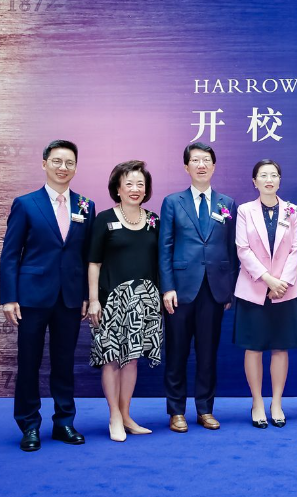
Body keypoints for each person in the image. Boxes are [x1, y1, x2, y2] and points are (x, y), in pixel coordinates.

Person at [0, 140, 95, 452]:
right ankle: (29, 424)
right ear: (44, 164)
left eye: (69, 162)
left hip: (69, 297)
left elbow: (84, 255)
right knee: (29, 361)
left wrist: (84, 295)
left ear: (76, 167)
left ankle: (64, 421)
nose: (63, 167)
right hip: (31, 297)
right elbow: (11, 255)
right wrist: (9, 297)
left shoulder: (85, 206)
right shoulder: (26, 204)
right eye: (57, 161)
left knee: (64, 362)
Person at [159, 143, 238, 433]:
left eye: (206, 160)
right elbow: (164, 247)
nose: (201, 165)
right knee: (177, 352)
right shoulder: (172, 202)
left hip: (214, 290)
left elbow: (231, 249)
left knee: (208, 352)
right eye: (195, 160)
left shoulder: (226, 204)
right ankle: (176, 411)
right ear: (186, 167)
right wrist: (167, 287)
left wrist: (227, 289)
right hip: (180, 290)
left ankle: (205, 409)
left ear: (214, 166)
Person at [86, 161, 162, 442]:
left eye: (140, 184)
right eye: (129, 183)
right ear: (117, 188)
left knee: (131, 361)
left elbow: (160, 261)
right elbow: (93, 263)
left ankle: (127, 414)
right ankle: (114, 416)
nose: (135, 189)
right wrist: (94, 300)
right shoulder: (104, 219)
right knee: (111, 360)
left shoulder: (154, 220)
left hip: (144, 301)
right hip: (111, 301)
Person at [233, 160, 297, 428]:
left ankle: (276, 402)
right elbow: (242, 249)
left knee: (280, 346)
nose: (269, 179)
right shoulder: (244, 211)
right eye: (263, 175)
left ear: (279, 180)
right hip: (254, 287)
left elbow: (296, 249)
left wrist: (281, 283)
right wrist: (267, 280)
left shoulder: (292, 211)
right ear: (254, 181)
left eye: (274, 175)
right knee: (253, 347)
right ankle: (257, 402)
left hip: (285, 290)